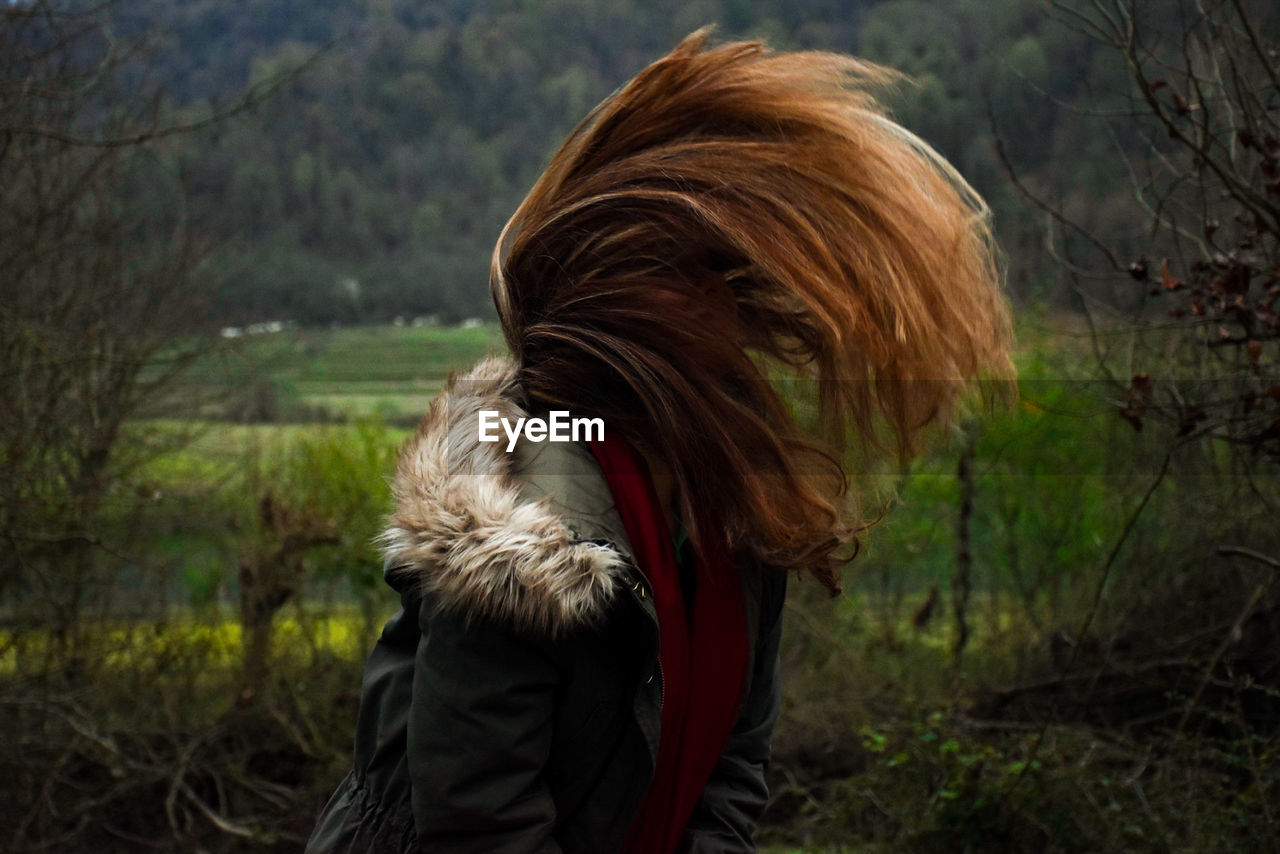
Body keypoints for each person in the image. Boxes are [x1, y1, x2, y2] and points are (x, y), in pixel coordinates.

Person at [306, 29, 1012, 854]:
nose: (734, 312)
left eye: (728, 277)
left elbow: (735, 765)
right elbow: (481, 823)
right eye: (698, 279)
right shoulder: (515, 538)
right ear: (633, 309)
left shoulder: (736, 514)